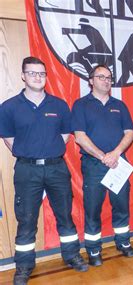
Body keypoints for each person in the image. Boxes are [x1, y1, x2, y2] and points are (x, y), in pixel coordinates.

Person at [0, 57, 88, 285]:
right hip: (27, 171)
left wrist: (48, 151)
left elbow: (65, 135)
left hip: (56, 168)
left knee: (65, 216)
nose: (37, 77)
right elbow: (9, 140)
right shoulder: (9, 107)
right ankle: (24, 265)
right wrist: (30, 152)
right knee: (26, 219)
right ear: (23, 76)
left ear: (46, 77)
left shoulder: (59, 105)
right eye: (32, 73)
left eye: (41, 73)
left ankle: (71, 255)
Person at [71, 64, 133, 266]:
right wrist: (102, 156)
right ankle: (93, 249)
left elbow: (130, 133)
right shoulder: (81, 105)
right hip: (93, 165)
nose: (106, 80)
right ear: (91, 80)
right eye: (101, 77)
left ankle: (123, 242)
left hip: (118, 163)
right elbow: (80, 137)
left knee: (122, 206)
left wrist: (115, 154)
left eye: (109, 77)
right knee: (92, 209)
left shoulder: (120, 105)